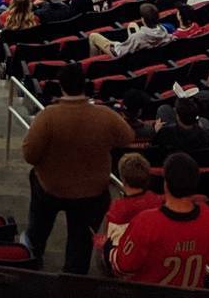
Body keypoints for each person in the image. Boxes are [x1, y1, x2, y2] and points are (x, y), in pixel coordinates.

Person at [20, 61, 136, 274]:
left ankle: (31, 260)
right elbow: (128, 137)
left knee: (37, 231)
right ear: (84, 85)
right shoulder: (104, 115)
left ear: (61, 86)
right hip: (92, 192)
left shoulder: (48, 116)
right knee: (81, 246)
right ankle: (73, 281)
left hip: (49, 188)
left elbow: (30, 155)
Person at [110, 152, 209, 287]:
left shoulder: (146, 222)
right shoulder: (208, 216)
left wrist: (109, 249)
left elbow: (122, 267)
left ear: (166, 184)